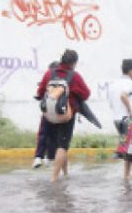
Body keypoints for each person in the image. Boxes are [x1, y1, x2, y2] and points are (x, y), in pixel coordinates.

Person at [36, 49, 91, 182]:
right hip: (66, 115)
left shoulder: (49, 73)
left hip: (49, 115)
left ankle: (65, 173)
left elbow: (40, 92)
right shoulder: (75, 76)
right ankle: (54, 178)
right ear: (73, 63)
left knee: (61, 144)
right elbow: (86, 93)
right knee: (62, 146)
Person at [108, 59, 132, 179]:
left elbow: (111, 103)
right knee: (130, 148)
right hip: (127, 119)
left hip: (117, 119)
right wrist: (131, 112)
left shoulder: (113, 84)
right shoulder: (129, 83)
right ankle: (127, 176)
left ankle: (126, 174)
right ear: (131, 71)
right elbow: (123, 96)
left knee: (128, 147)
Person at [33, 61, 60, 169]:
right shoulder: (66, 75)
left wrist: (39, 96)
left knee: (43, 133)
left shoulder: (48, 74)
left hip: (48, 110)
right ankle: (49, 158)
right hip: (60, 111)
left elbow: (40, 91)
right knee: (54, 135)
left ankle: (38, 157)